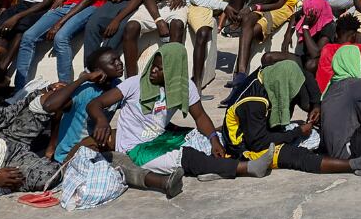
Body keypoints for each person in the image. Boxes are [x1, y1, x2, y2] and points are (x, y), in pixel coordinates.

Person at [86, 43, 273, 181]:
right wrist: (102, 120)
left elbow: (200, 116)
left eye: (159, 68)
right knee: (185, 157)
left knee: (211, 140)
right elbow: (95, 104)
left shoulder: (184, 86)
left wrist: (214, 139)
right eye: (153, 65)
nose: (153, 71)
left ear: (173, 71)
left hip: (162, 137)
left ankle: (214, 169)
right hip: (136, 148)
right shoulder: (135, 84)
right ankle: (247, 167)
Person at [224, 57, 361, 177]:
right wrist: (298, 132)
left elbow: (304, 74)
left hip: (257, 129)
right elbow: (259, 143)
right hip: (245, 148)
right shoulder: (254, 103)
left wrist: (316, 105)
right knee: (295, 156)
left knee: (310, 139)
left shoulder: (268, 73)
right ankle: (354, 164)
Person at [227, 0, 301, 97]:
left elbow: (280, 3)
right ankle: (241, 74)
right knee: (248, 20)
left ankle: (239, 80)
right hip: (263, 3)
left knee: (250, 33)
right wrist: (250, 8)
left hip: (282, 8)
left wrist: (255, 7)